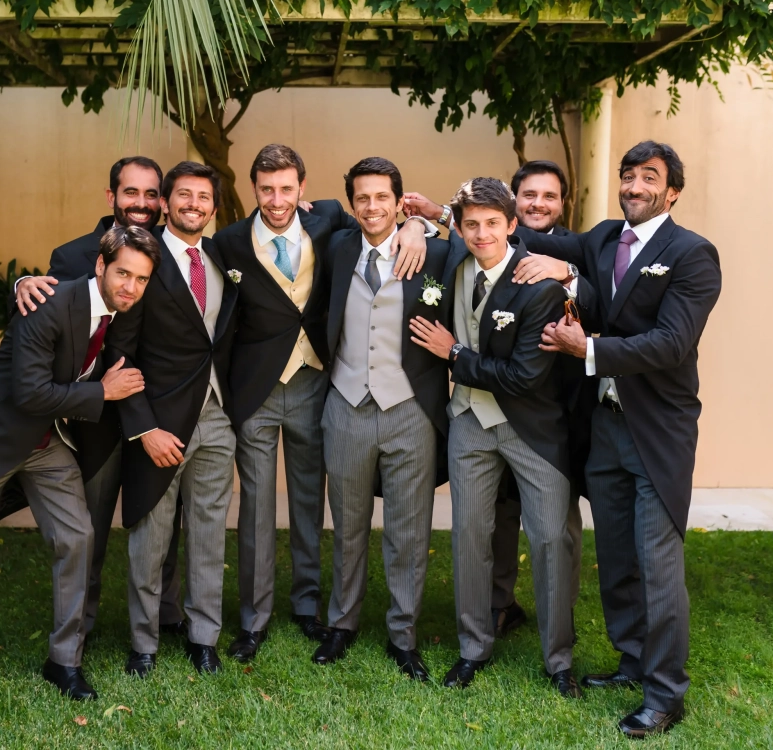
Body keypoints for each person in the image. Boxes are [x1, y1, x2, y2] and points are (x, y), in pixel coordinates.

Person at [518, 141, 722, 737]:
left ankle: (665, 694)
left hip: (657, 430)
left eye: (649, 178)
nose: (634, 186)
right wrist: (435, 217)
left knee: (658, 565)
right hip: (604, 426)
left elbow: (671, 344)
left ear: (673, 191)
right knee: (615, 557)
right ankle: (632, 660)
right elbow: (525, 236)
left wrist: (587, 348)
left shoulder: (691, 254)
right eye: (628, 175)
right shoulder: (605, 237)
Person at [0, 226, 159, 711]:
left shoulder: (121, 313)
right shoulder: (47, 304)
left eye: (141, 279)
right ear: (100, 266)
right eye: (123, 274)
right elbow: (28, 393)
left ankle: (64, 660)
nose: (130, 286)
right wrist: (102, 392)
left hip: (45, 442)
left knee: (77, 536)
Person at [213, 145, 429, 662]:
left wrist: (419, 225)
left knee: (310, 501)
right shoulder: (229, 243)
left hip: (315, 384)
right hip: (258, 390)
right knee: (256, 506)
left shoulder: (330, 219)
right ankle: (254, 618)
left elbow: (385, 220)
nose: (277, 199)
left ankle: (308, 605)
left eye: (286, 188)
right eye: (266, 189)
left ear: (303, 188)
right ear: (252, 188)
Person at [409, 178, 580, 697]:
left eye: (492, 224)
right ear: (460, 229)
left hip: (532, 427)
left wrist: (454, 353)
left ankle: (559, 660)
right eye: (471, 225)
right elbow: (425, 228)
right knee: (470, 537)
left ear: (511, 225)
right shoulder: (453, 262)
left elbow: (523, 377)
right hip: (468, 422)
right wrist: (415, 223)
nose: (481, 234)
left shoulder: (540, 286)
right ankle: (472, 648)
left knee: (550, 541)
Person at [13, 156, 187, 641]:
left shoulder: (173, 251)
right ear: (112, 196)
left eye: (151, 194)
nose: (142, 203)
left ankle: (167, 613)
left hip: (160, 410)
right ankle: (81, 626)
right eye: (131, 192)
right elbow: (41, 310)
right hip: (98, 418)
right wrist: (20, 284)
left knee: (162, 519)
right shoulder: (73, 255)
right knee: (89, 526)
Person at [313, 157, 450, 681]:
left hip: (410, 408)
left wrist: (424, 223)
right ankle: (341, 623)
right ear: (352, 204)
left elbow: (488, 239)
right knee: (347, 524)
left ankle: (403, 634)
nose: (372, 207)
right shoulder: (337, 245)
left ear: (399, 201)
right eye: (362, 198)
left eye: (382, 198)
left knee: (408, 530)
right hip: (346, 403)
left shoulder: (434, 252)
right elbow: (300, 214)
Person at [105, 161, 239, 676]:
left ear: (214, 206)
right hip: (159, 425)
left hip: (217, 418)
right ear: (165, 202)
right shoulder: (144, 259)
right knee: (150, 540)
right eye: (183, 195)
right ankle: (144, 644)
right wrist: (144, 428)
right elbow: (120, 352)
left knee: (208, 535)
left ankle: (204, 637)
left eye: (203, 197)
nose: (193, 205)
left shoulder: (222, 256)